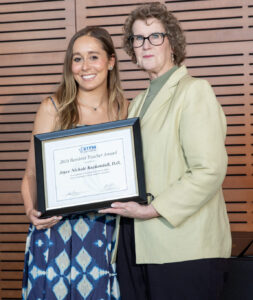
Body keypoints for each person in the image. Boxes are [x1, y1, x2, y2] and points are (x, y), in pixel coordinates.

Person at [100, 2, 232, 300]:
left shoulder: (194, 91)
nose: (145, 45)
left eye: (155, 36)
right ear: (131, 48)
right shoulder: (136, 103)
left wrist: (151, 209)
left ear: (172, 42)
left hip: (184, 247)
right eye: (137, 38)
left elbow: (208, 170)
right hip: (137, 244)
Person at [21, 26, 128, 299]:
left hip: (107, 231)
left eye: (94, 56)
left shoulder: (125, 109)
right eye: (77, 58)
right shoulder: (53, 108)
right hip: (56, 232)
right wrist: (31, 210)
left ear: (111, 61)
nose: (84, 66)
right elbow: (32, 174)